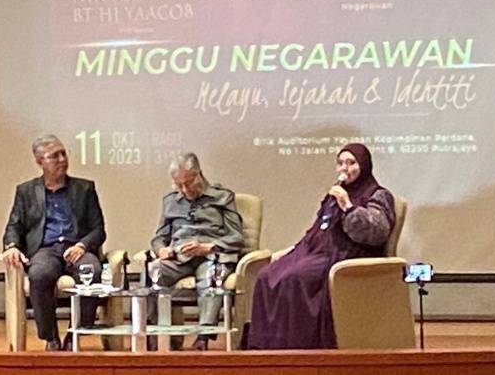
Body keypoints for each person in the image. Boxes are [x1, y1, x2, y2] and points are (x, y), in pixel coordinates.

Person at [246, 143, 395, 349]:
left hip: (346, 254)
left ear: (364, 165)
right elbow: (318, 230)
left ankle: (298, 345)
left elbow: (376, 233)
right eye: (341, 163)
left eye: (351, 163)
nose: (345, 168)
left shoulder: (378, 194)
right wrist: (291, 250)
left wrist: (348, 207)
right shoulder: (335, 193)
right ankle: (269, 346)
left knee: (295, 277)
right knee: (266, 276)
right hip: (317, 250)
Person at [1, 135, 106, 351]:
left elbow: (98, 229)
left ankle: (76, 332)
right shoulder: (26, 191)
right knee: (39, 274)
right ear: (40, 161)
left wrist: (82, 246)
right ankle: (50, 337)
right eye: (54, 156)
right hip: (45, 249)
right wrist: (11, 246)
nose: (62, 159)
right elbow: (14, 226)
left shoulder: (84, 189)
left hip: (77, 248)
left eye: (63, 153)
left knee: (92, 270)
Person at [148, 152, 245, 349]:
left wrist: (209, 247)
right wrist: (161, 250)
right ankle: (158, 335)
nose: (184, 189)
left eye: (188, 183)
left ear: (199, 174)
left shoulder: (222, 197)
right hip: (178, 257)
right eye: (179, 185)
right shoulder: (170, 201)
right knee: (154, 272)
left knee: (211, 278)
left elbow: (237, 237)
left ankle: (203, 337)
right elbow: (158, 237)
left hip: (210, 256)